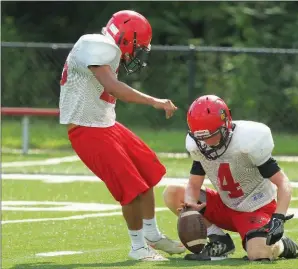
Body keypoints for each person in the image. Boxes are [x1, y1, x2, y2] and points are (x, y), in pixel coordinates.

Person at [59, 10, 185, 261]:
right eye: (138, 46)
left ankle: (152, 234)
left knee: (147, 169)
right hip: (87, 129)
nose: (137, 54)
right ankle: (138, 247)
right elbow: (113, 87)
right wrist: (154, 101)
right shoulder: (96, 44)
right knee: (130, 186)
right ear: (128, 37)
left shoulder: (108, 50)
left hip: (106, 124)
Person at [163, 94, 298, 261]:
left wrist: (279, 217)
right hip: (225, 204)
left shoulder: (248, 141)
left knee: (258, 254)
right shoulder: (199, 145)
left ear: (226, 125)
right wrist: (191, 204)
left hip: (256, 208)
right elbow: (193, 184)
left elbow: (283, 183)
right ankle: (218, 240)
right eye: (200, 137)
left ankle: (283, 245)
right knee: (172, 193)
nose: (206, 142)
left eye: (210, 135)